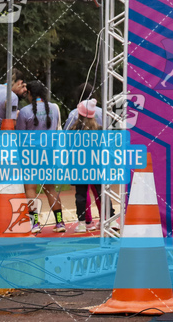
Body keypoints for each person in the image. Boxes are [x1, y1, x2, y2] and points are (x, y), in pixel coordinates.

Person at [15, 80, 63, 233]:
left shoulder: (24, 112)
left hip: (30, 154)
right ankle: (60, 223)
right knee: (50, 189)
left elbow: (20, 137)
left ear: (29, 93)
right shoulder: (54, 108)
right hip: (49, 154)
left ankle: (35, 224)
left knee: (30, 188)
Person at [69, 98, 114, 233]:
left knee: (81, 195)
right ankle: (110, 220)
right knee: (102, 193)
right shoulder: (99, 130)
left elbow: (68, 149)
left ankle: (82, 223)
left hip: (79, 167)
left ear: (80, 113)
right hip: (97, 165)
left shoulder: (73, 130)